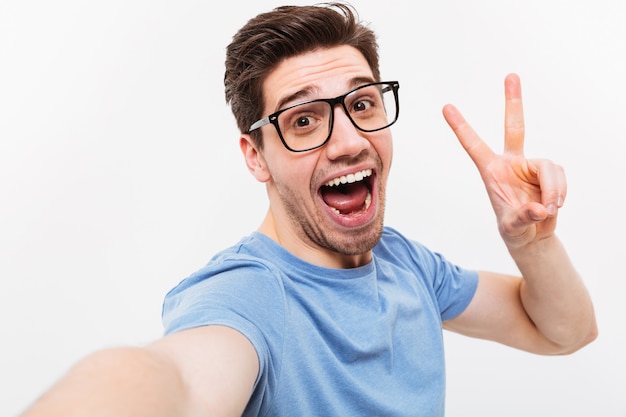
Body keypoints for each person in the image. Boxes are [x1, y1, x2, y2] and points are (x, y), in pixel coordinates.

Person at [20, 3, 597, 417]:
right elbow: (176, 381)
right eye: (304, 119)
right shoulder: (245, 295)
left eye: (362, 103)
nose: (348, 141)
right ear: (256, 157)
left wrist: (533, 242)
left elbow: (565, 331)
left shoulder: (406, 264)